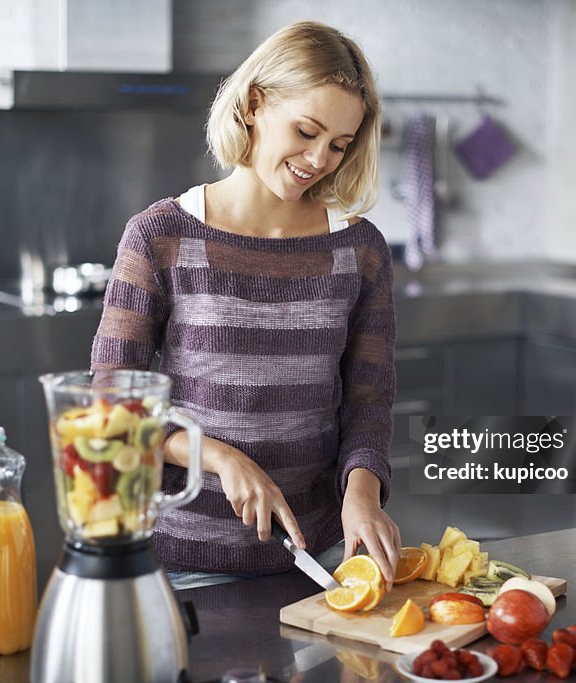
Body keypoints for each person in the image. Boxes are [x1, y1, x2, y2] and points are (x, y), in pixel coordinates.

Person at [90, 20, 400, 590]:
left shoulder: (358, 250)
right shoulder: (161, 236)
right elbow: (113, 409)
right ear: (254, 104)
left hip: (320, 559)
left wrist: (363, 491)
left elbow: (369, 403)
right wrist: (219, 456)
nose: (318, 159)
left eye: (339, 144)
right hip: (182, 561)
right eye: (305, 131)